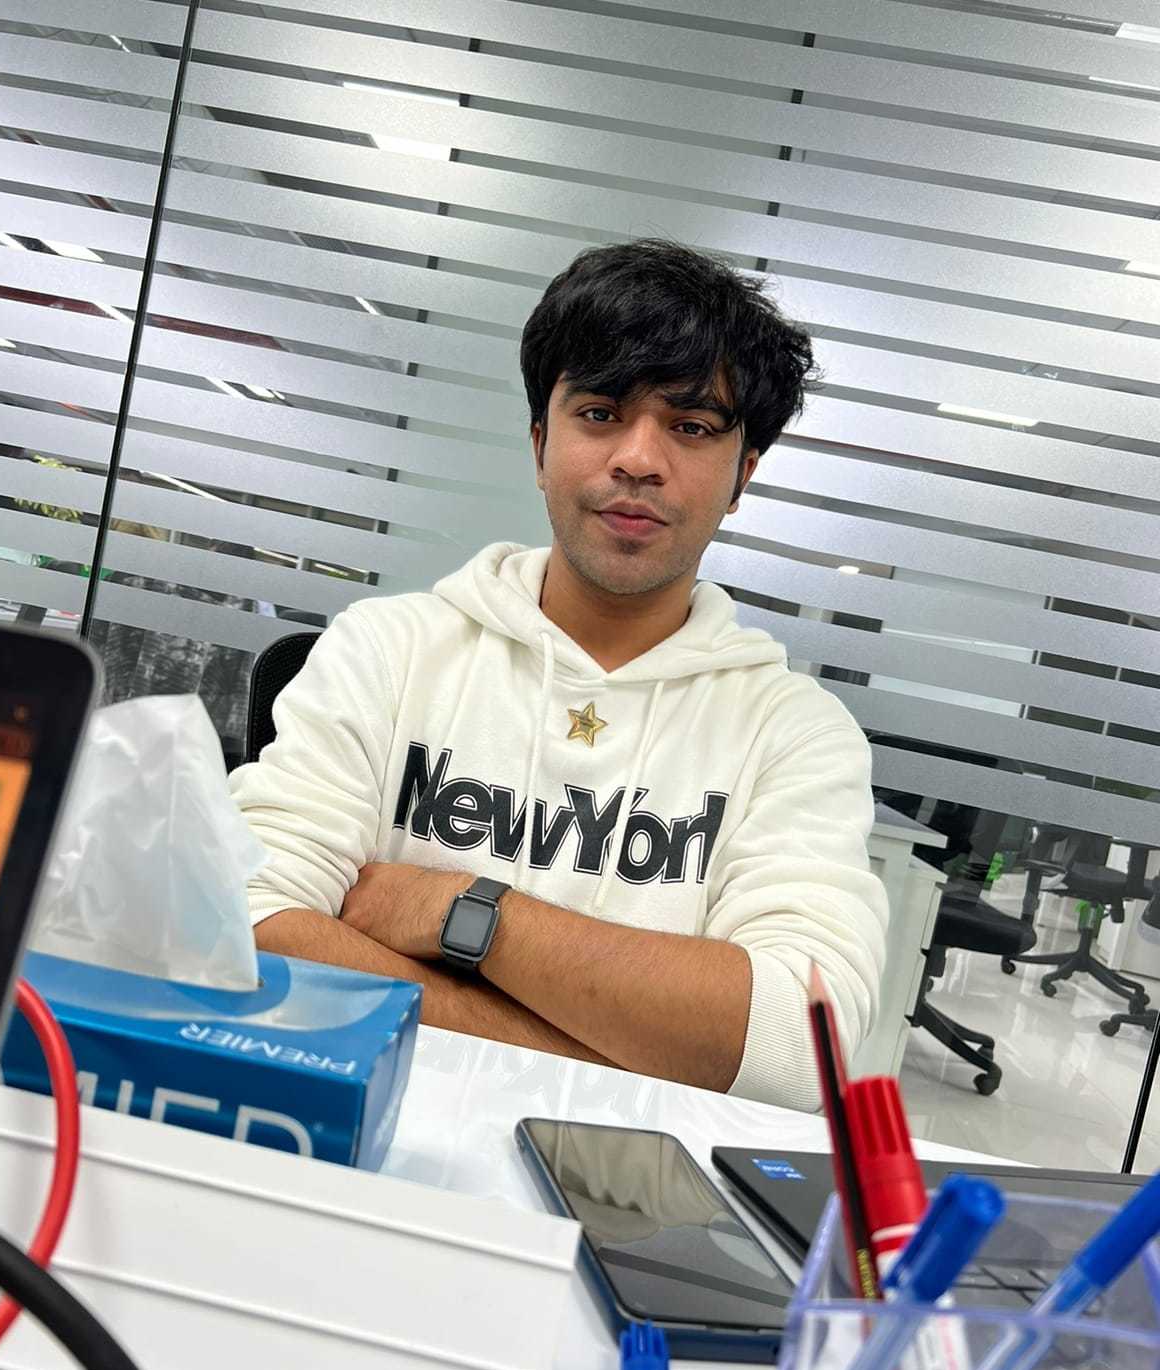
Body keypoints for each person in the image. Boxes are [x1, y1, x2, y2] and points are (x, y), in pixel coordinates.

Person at [228, 238, 888, 1110]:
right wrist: (610, 1055)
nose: (639, 459)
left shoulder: (794, 734)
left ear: (741, 478)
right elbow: (241, 923)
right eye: (602, 413)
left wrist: (465, 911)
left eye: (691, 426)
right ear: (541, 443)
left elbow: (802, 1045)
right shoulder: (387, 650)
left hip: (622, 1179)